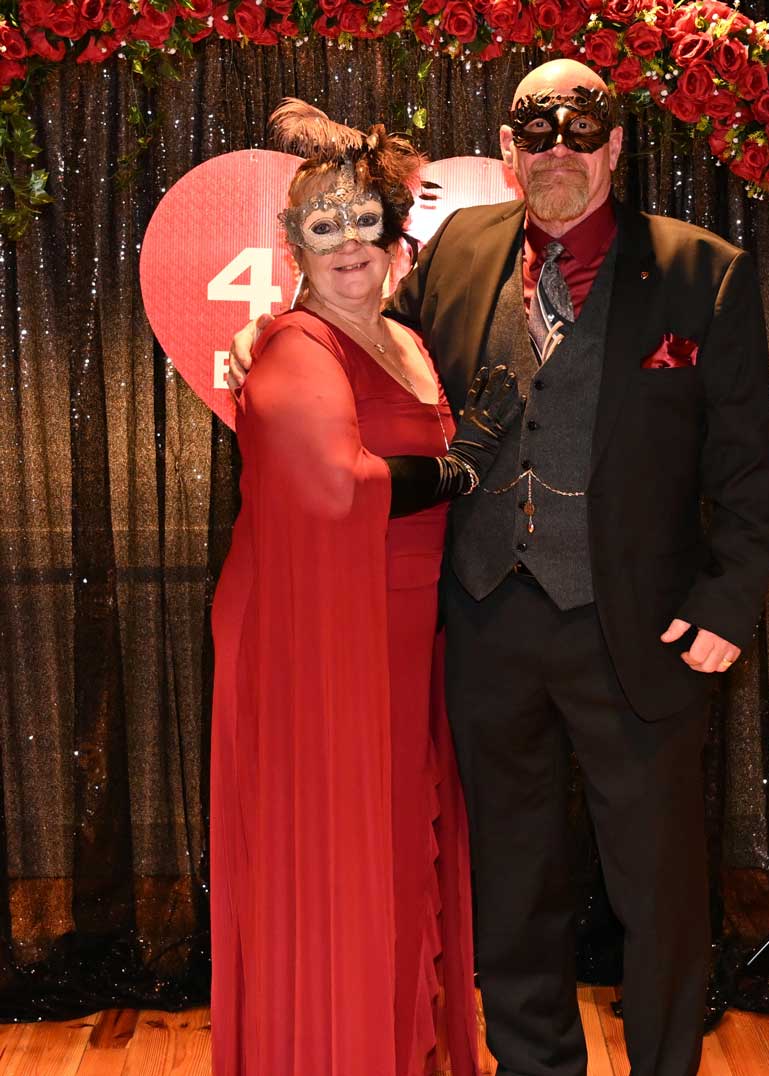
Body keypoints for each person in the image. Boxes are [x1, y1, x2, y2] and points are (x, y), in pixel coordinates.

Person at [229, 61, 769, 1076]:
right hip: (486, 624)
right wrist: (263, 339)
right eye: (538, 133)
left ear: (615, 146)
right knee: (513, 884)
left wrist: (727, 602)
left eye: (583, 131)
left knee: (658, 888)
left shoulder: (704, 273)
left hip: (638, 631)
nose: (559, 151)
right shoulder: (458, 251)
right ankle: (535, 1065)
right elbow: (366, 345)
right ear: (507, 151)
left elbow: (749, 466)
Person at [210, 99, 519, 1076]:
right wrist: (457, 469)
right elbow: (334, 486)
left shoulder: (406, 339)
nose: (347, 242)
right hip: (322, 649)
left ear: (393, 237)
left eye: (364, 220)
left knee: (393, 859)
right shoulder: (296, 346)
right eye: (323, 223)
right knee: (340, 866)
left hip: (405, 640)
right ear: (295, 244)